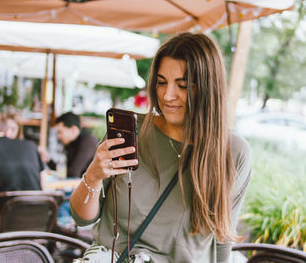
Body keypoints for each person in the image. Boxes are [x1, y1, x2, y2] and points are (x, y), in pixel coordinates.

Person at [70, 33, 252, 262]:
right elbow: (81, 218)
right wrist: (94, 175)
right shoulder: (131, 134)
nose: (167, 95)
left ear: (208, 88)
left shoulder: (233, 152)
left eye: (182, 85)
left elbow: (221, 240)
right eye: (161, 82)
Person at [0, 112, 44, 234]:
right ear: (6, 130)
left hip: (1, 222)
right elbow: (43, 186)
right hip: (37, 221)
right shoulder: (31, 146)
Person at [39, 112, 98, 178]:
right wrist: (48, 160)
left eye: (60, 132)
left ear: (73, 130)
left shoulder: (88, 141)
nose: (58, 136)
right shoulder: (70, 143)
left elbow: (73, 173)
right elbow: (65, 171)